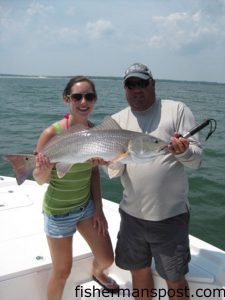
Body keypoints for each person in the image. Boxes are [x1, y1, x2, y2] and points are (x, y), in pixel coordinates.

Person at [109, 63, 203, 300]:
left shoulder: (176, 110)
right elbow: (115, 170)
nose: (136, 89)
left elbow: (196, 161)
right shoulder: (116, 121)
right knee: (138, 272)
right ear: (125, 89)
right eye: (131, 85)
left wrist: (183, 152)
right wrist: (106, 161)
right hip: (131, 217)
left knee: (175, 279)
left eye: (142, 83)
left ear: (153, 84)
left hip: (169, 218)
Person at [32, 76, 119, 300]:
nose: (83, 101)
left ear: (94, 100)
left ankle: (97, 273)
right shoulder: (52, 133)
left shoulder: (97, 135)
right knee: (62, 272)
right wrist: (42, 169)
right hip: (58, 211)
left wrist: (98, 208)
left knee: (108, 259)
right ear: (67, 99)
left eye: (89, 96)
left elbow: (93, 175)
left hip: (85, 208)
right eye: (77, 96)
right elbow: (39, 180)